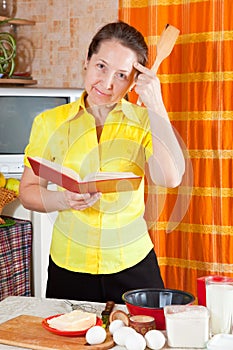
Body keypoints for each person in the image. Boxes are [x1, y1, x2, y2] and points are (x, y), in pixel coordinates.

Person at [19, 21, 185, 303]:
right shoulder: (49, 123)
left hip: (133, 264)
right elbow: (28, 191)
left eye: (122, 75)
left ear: (134, 82)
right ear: (87, 61)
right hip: (69, 267)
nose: (107, 84)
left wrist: (155, 103)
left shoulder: (145, 121)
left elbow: (170, 178)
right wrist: (64, 200)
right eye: (101, 66)